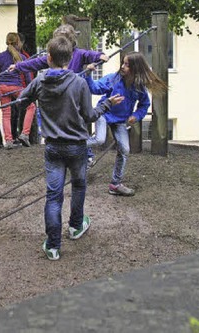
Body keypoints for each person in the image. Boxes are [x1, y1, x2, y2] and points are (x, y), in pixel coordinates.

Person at [18, 36, 123, 260]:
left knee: (53, 196)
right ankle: (76, 227)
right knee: (78, 186)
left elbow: (20, 100)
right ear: (70, 58)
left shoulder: (39, 81)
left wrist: (32, 99)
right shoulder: (79, 82)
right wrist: (106, 103)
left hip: (53, 147)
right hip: (77, 147)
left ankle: (54, 246)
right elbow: (90, 116)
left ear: (48, 58)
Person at [11, 24, 108, 167]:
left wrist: (100, 56)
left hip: (73, 95)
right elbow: (35, 63)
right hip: (60, 95)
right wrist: (18, 66)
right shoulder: (53, 57)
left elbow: (90, 55)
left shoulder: (79, 54)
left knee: (79, 123)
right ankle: (66, 154)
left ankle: (87, 155)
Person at [85, 51, 167, 196]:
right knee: (99, 139)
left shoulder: (139, 87)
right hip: (104, 113)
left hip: (120, 120)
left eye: (127, 65)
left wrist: (135, 116)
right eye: (123, 63)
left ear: (136, 68)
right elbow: (95, 88)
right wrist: (89, 75)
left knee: (124, 149)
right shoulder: (113, 79)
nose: (123, 67)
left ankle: (115, 184)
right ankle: (76, 146)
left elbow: (144, 105)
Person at [0, 32, 36, 149]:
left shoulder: (0, 56)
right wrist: (30, 89)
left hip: (2, 87)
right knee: (31, 107)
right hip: (16, 87)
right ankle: (25, 134)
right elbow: (27, 75)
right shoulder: (22, 57)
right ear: (18, 43)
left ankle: (9, 141)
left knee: (6, 114)